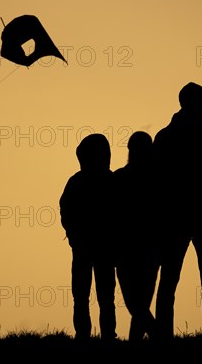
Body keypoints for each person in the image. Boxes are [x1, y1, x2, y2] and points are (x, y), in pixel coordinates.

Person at [152, 82, 202, 340]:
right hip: (183, 218)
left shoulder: (170, 135)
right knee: (179, 280)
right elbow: (156, 179)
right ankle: (173, 335)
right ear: (191, 104)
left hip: (196, 217)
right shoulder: (184, 136)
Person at [59, 133, 117, 341]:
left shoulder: (78, 182)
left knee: (96, 296)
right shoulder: (111, 181)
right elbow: (66, 211)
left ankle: (96, 335)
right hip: (96, 248)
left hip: (92, 247)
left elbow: (65, 211)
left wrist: (74, 235)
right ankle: (96, 335)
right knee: (94, 296)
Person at [113, 131, 160, 342]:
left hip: (145, 248)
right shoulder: (120, 177)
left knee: (137, 303)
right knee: (137, 303)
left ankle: (144, 340)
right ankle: (156, 337)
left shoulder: (157, 178)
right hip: (130, 249)